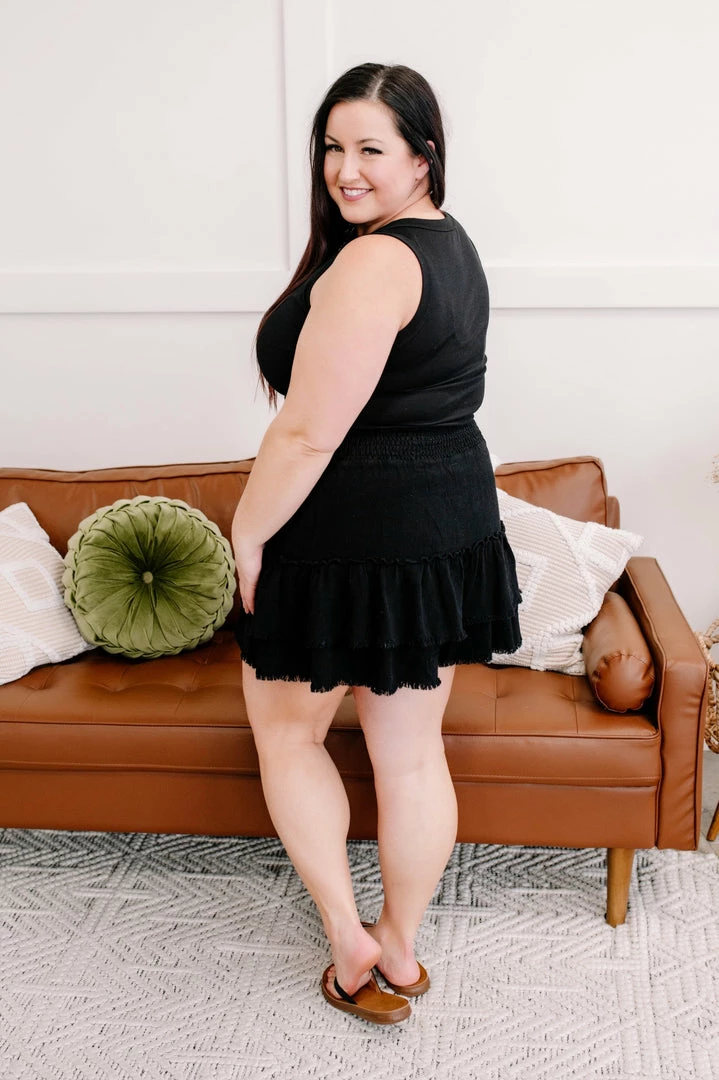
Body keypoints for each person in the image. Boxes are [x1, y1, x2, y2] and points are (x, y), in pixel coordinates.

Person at [231, 62, 522, 1025]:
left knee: (287, 732)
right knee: (409, 754)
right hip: (443, 521)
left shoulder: (372, 263)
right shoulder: (451, 245)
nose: (344, 170)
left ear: (422, 156)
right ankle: (398, 945)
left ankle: (348, 937)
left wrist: (247, 531)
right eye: (331, 147)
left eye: (370, 149)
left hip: (351, 529)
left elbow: (306, 435)